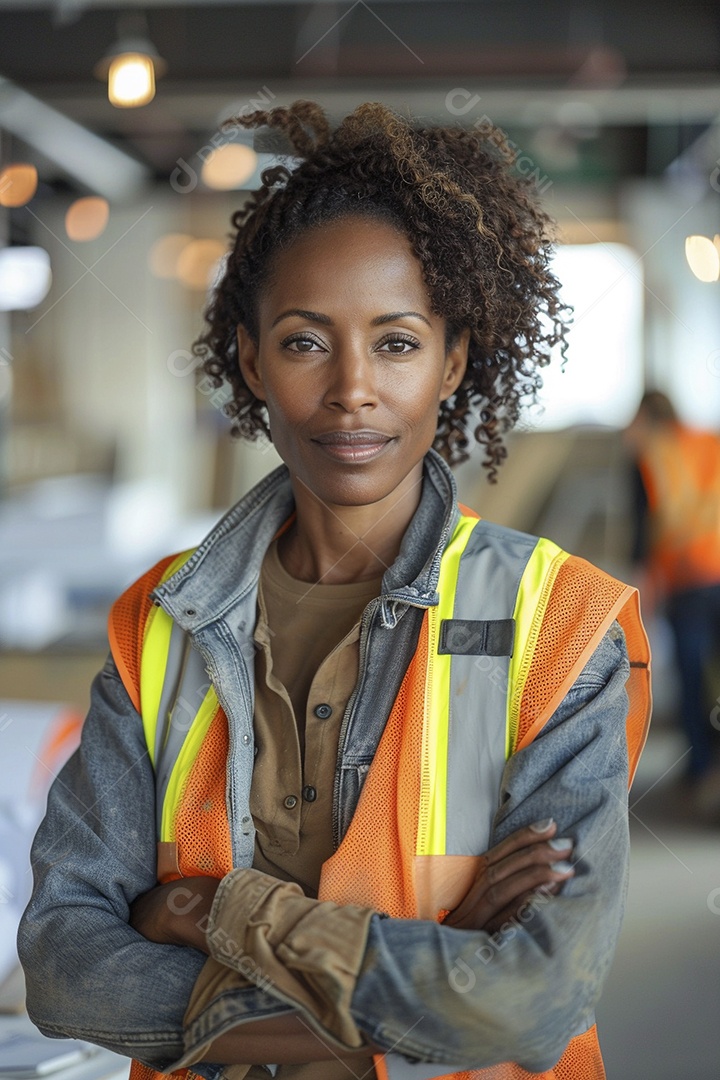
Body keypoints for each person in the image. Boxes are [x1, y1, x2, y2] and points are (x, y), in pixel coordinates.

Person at [19, 101, 651, 1080]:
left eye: (396, 343)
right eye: (306, 342)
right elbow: (69, 972)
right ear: (251, 360)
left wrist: (215, 910)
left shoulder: (557, 624)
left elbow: (529, 1004)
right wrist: (439, 968)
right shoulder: (158, 621)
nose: (352, 388)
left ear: (453, 362)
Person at [626, 389, 720, 820]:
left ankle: (700, 770)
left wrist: (643, 587)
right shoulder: (709, 442)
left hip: (688, 580)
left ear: (646, 416)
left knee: (691, 677)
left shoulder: (649, 455)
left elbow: (643, 527)